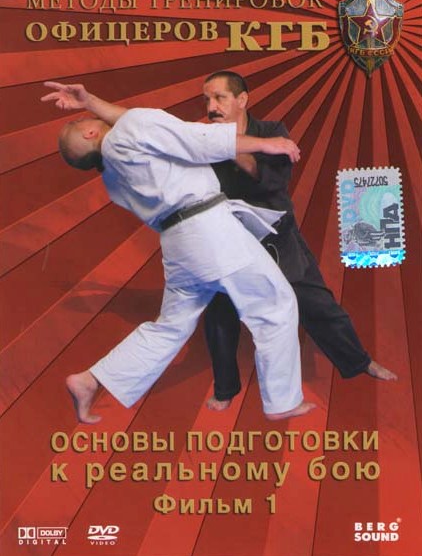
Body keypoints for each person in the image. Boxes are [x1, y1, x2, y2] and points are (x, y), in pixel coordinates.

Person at [41, 81, 316, 423]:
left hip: (178, 245)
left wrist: (90, 101)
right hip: (209, 231)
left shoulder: (112, 177)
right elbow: (198, 140)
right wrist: (266, 143)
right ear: (90, 133)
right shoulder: (132, 129)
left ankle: (89, 380)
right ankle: (281, 401)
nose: (96, 118)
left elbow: (130, 124)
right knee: (276, 304)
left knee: (171, 327)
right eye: (84, 121)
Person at [202, 70, 397, 411]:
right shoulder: (202, 139)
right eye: (207, 99)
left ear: (242, 99)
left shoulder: (272, 131)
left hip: (278, 235)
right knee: (219, 313)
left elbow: (271, 181)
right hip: (230, 241)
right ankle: (225, 389)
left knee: (315, 302)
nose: (211, 107)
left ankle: (358, 361)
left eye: (219, 98)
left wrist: (227, 145)